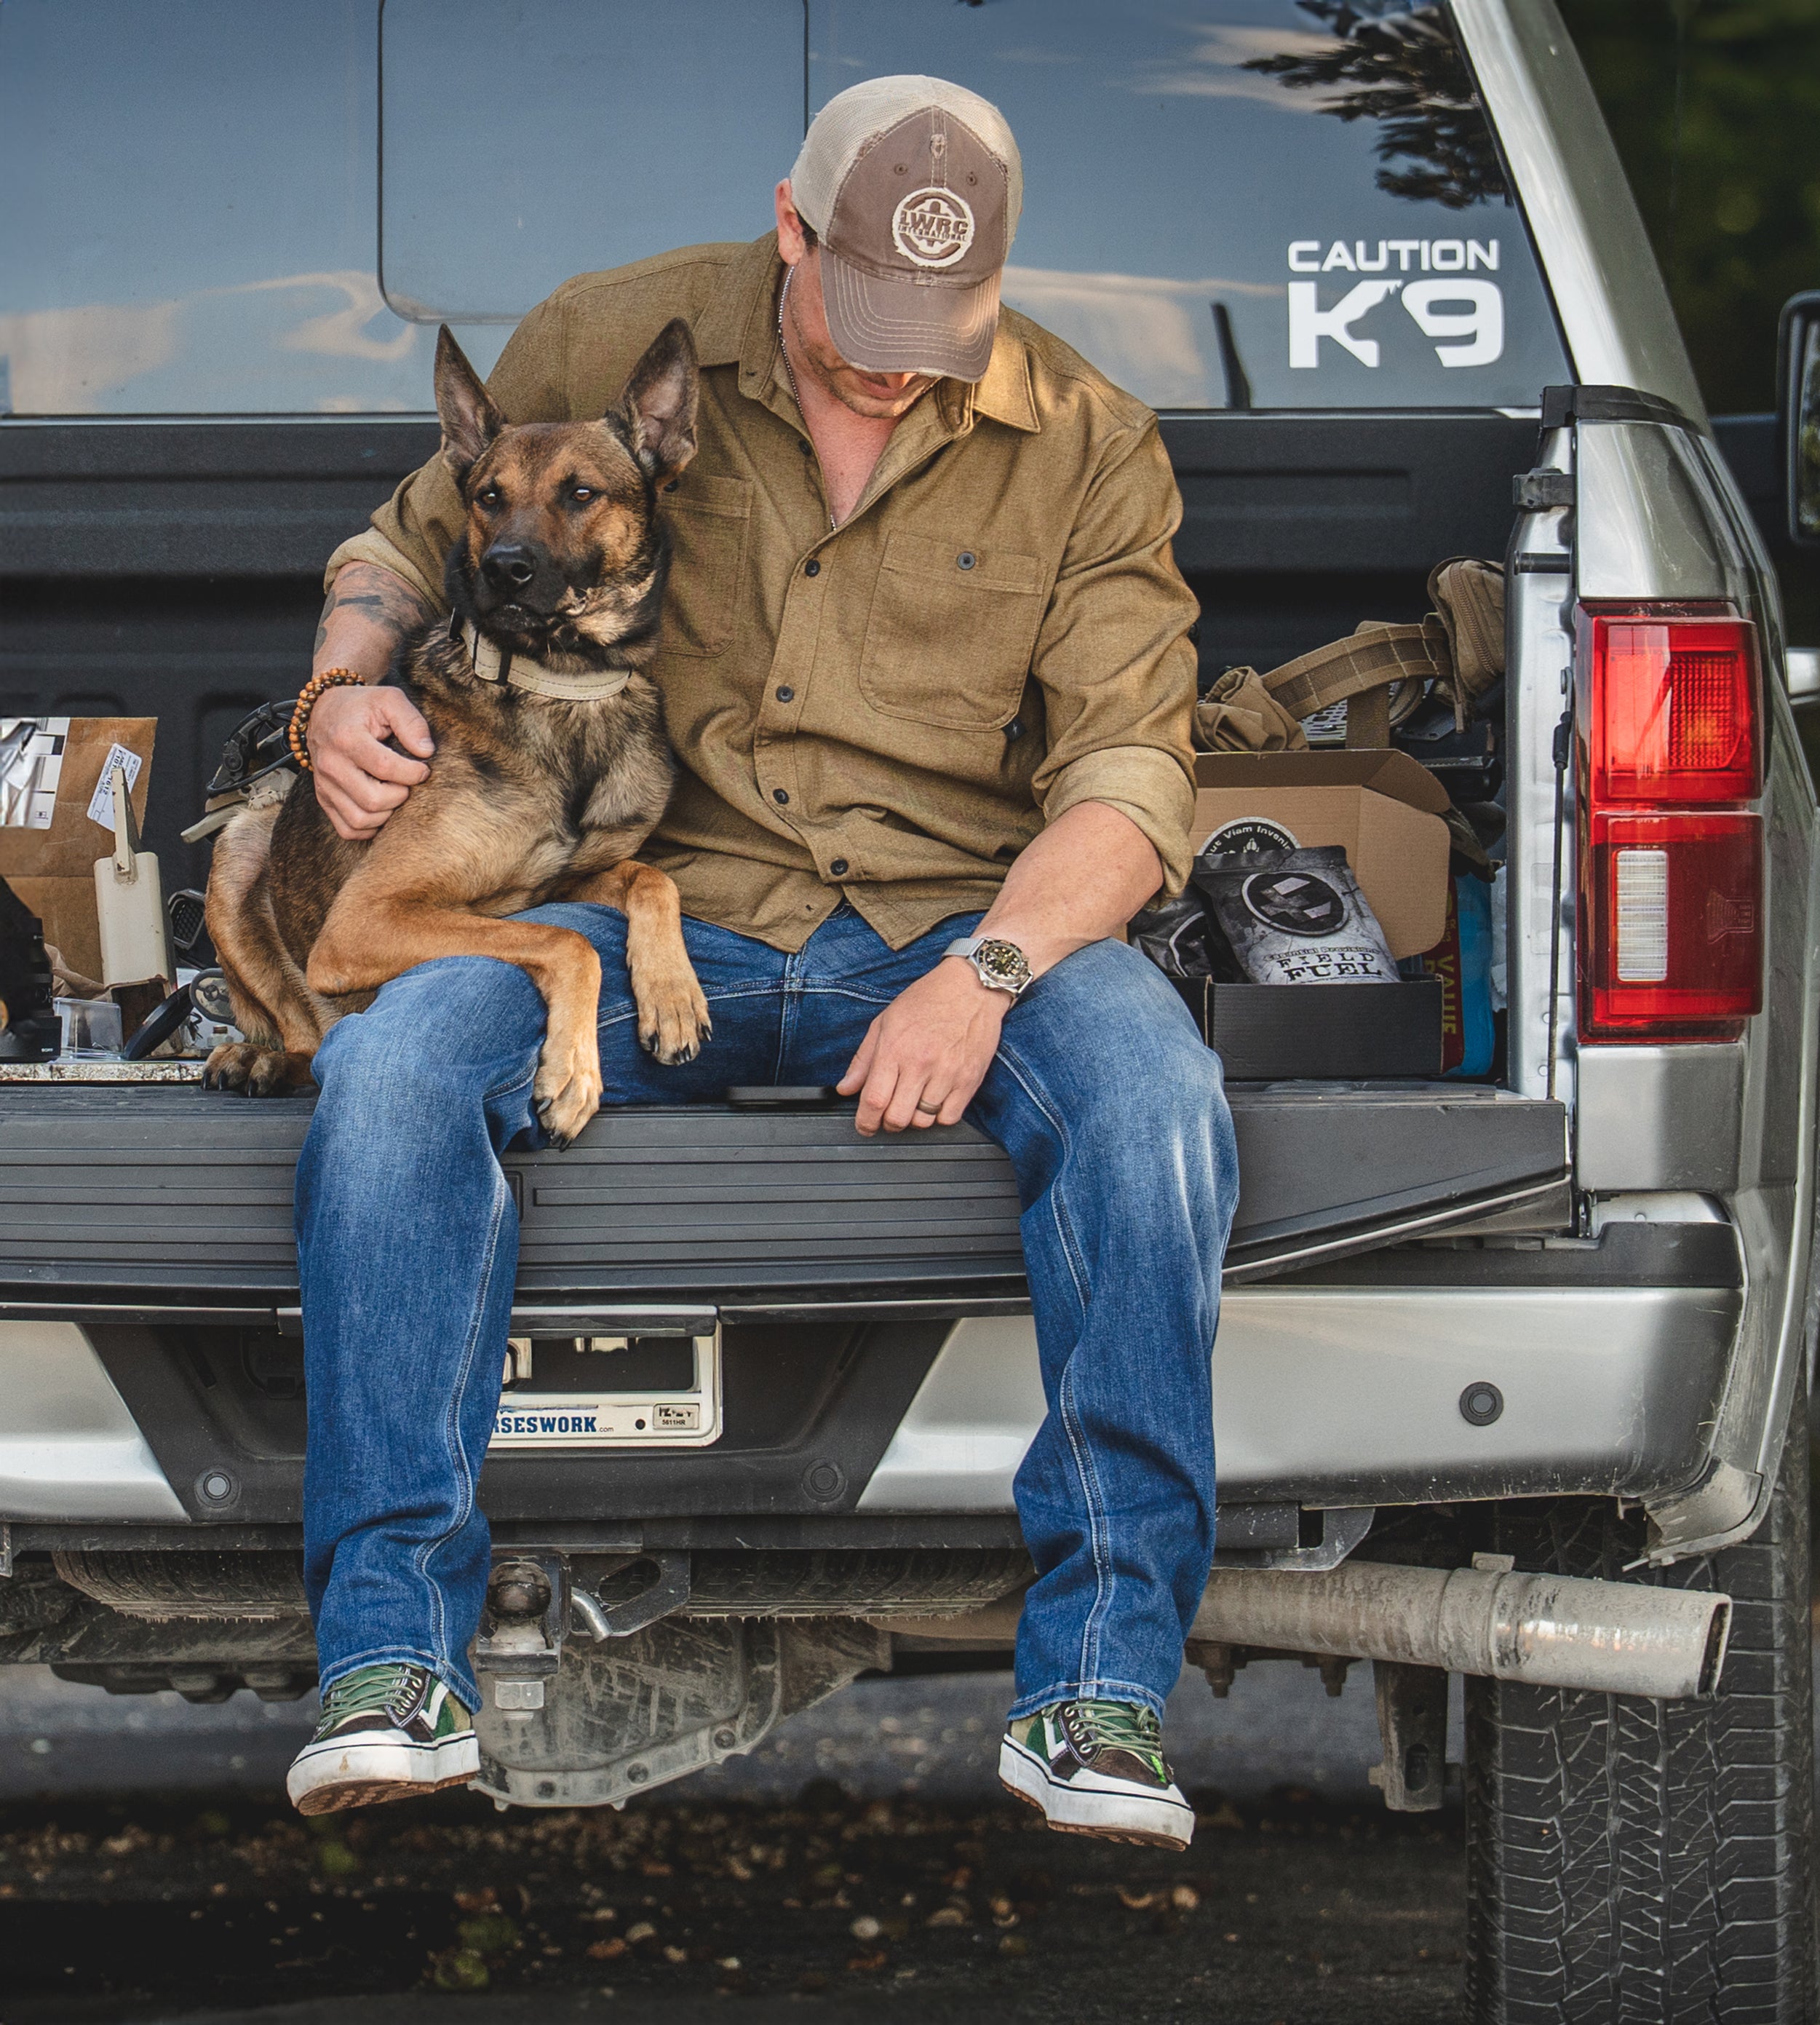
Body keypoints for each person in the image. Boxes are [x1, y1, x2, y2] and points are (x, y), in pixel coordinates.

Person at [282, 74, 1237, 1850]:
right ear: (790, 230)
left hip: (958, 919)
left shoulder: (1089, 439)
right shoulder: (611, 335)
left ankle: (1096, 1687)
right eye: (863, 320)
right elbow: (412, 534)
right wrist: (343, 685)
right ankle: (391, 1661)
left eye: (936, 332)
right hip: (658, 899)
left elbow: (1129, 776)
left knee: (1153, 1091)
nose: (896, 366)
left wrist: (995, 975)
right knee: (393, 1069)